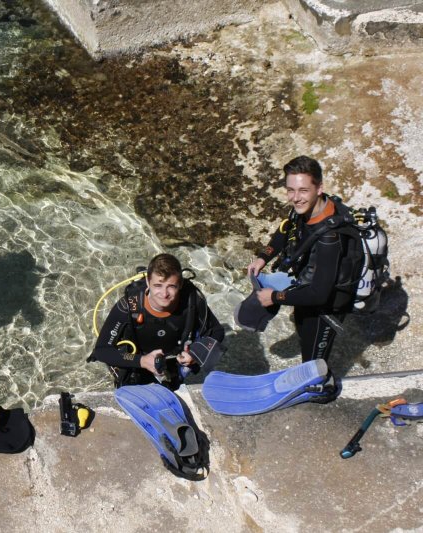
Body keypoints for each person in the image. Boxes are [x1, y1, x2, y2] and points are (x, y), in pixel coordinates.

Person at [245, 155, 354, 362]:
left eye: (303, 190)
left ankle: (321, 391)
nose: (295, 198)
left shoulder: (330, 238)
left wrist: (274, 297)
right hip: (306, 287)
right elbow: (284, 230)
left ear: (319, 188)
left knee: (313, 363)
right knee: (304, 336)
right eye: (290, 190)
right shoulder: (303, 208)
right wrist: (262, 258)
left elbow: (319, 295)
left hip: (325, 309)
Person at [88, 253, 224, 389]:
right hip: (135, 362)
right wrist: (142, 361)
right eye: (158, 285)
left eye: (171, 286)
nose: (164, 294)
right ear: (148, 282)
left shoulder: (192, 301)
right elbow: (102, 351)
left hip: (171, 363)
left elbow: (216, 332)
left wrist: (194, 353)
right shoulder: (130, 305)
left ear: (181, 284)